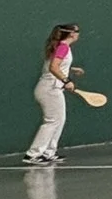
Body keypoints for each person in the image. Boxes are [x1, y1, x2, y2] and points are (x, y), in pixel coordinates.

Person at [23, 23, 81, 165]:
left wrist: (71, 69)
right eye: (77, 31)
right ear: (72, 34)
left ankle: (48, 152)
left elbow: (57, 65)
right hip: (49, 89)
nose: (79, 34)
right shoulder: (63, 47)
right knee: (52, 121)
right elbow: (53, 67)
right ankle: (32, 154)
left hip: (52, 88)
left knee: (59, 120)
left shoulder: (61, 47)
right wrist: (66, 80)